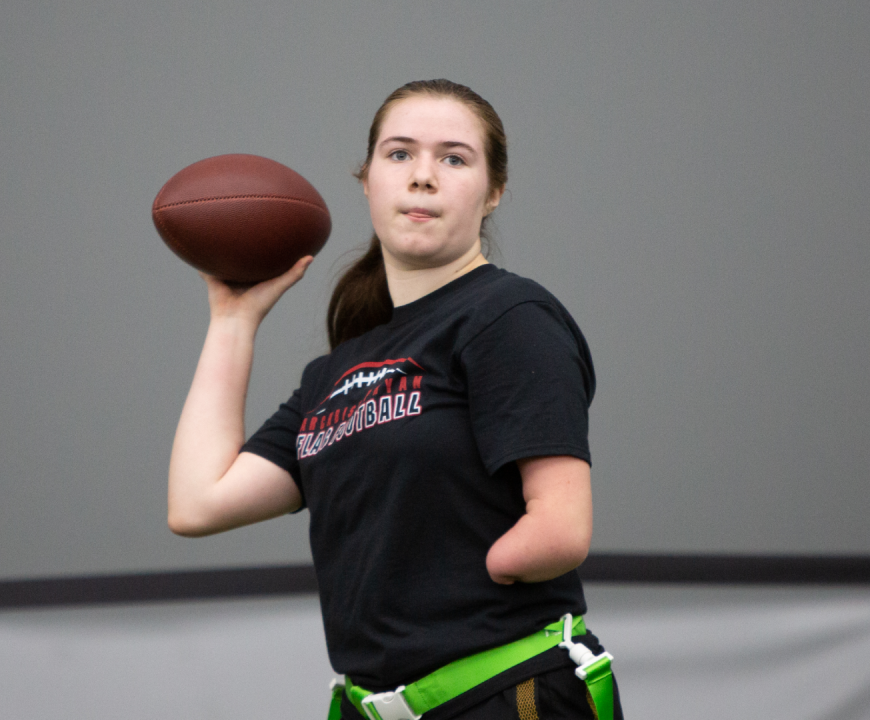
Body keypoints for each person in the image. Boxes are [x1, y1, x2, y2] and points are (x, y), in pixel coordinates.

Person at [168, 79, 621, 720]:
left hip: (504, 690)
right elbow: (197, 502)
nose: (423, 177)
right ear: (368, 181)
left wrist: (465, 576)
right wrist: (233, 321)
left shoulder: (506, 315)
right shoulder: (335, 371)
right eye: (400, 154)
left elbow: (561, 529)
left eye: (454, 158)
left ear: (492, 193)